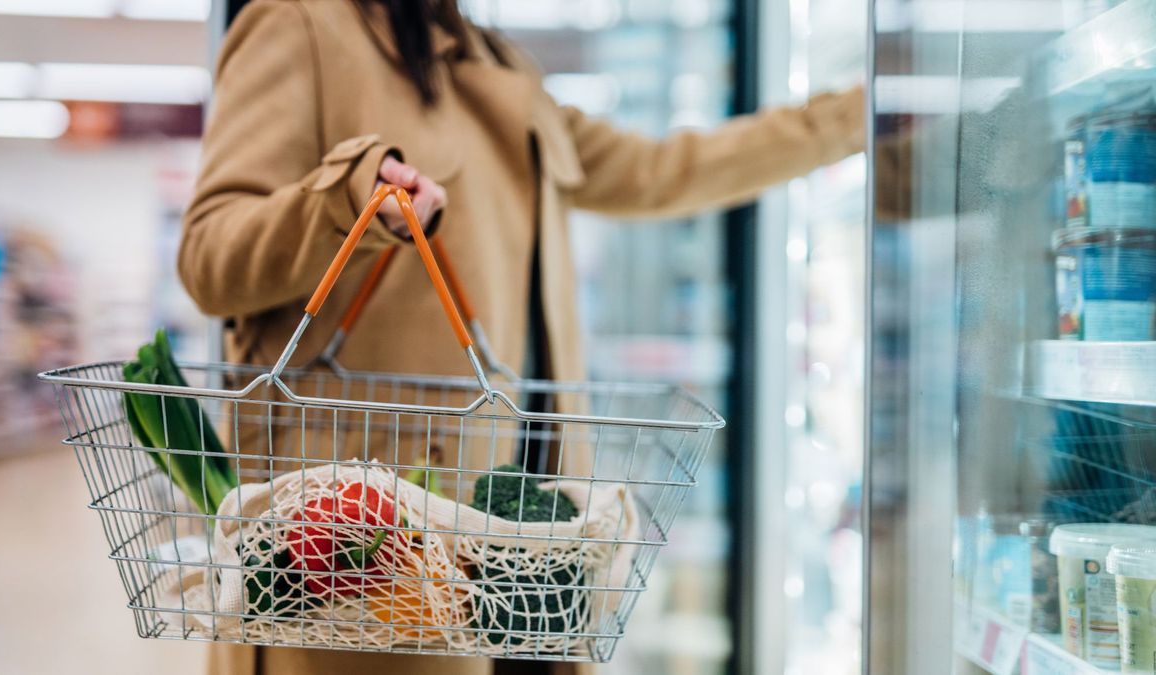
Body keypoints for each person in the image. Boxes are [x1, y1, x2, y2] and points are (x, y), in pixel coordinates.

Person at [179, 1, 864, 674]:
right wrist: (346, 198)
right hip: (370, 553)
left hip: (529, 548)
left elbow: (660, 170)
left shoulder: (496, 60)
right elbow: (211, 259)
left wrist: (853, 117)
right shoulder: (296, 24)